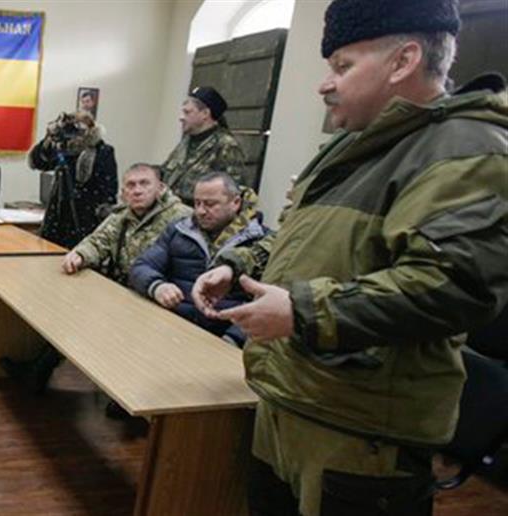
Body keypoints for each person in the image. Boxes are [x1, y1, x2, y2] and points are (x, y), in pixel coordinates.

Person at [190, 1, 508, 514]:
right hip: (293, 402)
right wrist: (240, 268)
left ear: (403, 60)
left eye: (343, 66)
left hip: (358, 435)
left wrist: (301, 311)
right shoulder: (354, 145)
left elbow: (452, 286)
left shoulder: (463, 148)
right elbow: (311, 242)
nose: (325, 83)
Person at [0, 163, 187, 394]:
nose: (137, 190)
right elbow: (97, 241)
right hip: (124, 290)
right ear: (123, 192)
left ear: (160, 188)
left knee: (92, 318)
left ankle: (125, 395)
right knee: (69, 307)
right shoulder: (122, 215)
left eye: (144, 184)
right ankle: (38, 372)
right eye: (131, 185)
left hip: (159, 297)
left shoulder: (180, 219)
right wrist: (79, 254)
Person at [129, 173, 269, 345]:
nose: (201, 211)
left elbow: (266, 304)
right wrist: (157, 287)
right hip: (170, 327)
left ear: (235, 203)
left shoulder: (261, 244)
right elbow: (141, 266)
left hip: (223, 339)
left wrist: (233, 339)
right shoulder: (179, 230)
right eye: (197, 203)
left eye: (210, 204)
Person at [29, 111, 118, 248]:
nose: (74, 133)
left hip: (84, 218)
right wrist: (49, 138)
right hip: (57, 218)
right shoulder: (63, 148)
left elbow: (108, 190)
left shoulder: (102, 151)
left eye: (78, 128)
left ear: (90, 129)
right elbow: (38, 163)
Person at [159, 86, 247, 205]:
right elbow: (165, 172)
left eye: (187, 112)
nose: (181, 118)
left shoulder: (226, 145)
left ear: (205, 113)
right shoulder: (187, 140)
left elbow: (233, 192)